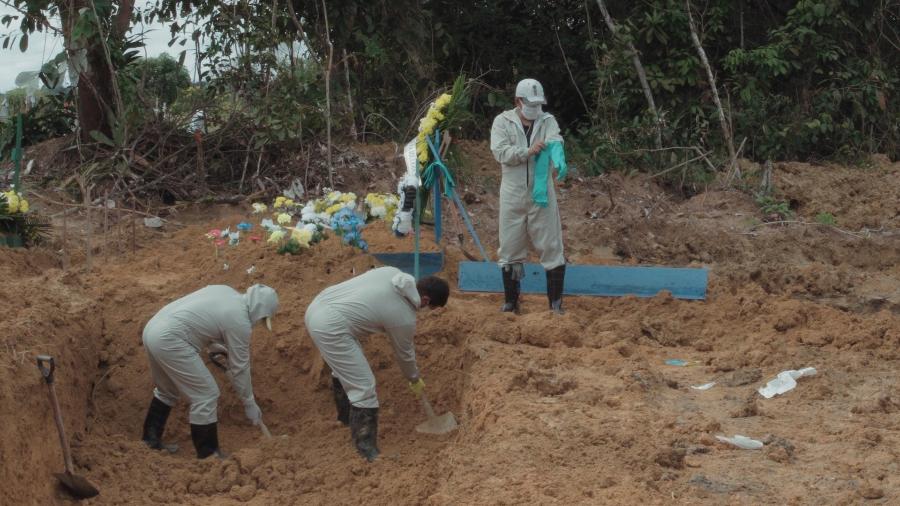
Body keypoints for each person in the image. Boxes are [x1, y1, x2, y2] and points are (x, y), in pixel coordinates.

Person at [304, 267, 450, 462]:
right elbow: (404, 355)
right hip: (331, 326)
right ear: (425, 300)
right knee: (364, 385)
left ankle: (345, 418)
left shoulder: (391, 273)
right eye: (429, 308)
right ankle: (366, 449)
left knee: (347, 369)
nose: (425, 312)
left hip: (318, 306)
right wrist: (414, 379)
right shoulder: (403, 316)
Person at [140, 284, 279, 458]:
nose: (258, 324)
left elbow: (200, 319)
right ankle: (208, 455)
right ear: (261, 312)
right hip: (170, 339)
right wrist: (249, 402)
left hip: (152, 330)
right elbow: (240, 368)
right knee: (206, 394)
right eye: (261, 321)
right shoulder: (239, 321)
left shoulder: (226, 292)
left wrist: (214, 344)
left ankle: (149, 441)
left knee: (167, 390)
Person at [490, 78, 567, 315]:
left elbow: (557, 139)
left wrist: (556, 150)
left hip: (541, 193)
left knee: (551, 244)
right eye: (529, 104)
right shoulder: (502, 122)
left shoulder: (548, 121)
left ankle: (555, 303)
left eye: (537, 104)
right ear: (518, 101)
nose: (534, 109)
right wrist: (527, 152)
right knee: (510, 245)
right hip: (513, 194)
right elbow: (500, 152)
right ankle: (511, 301)